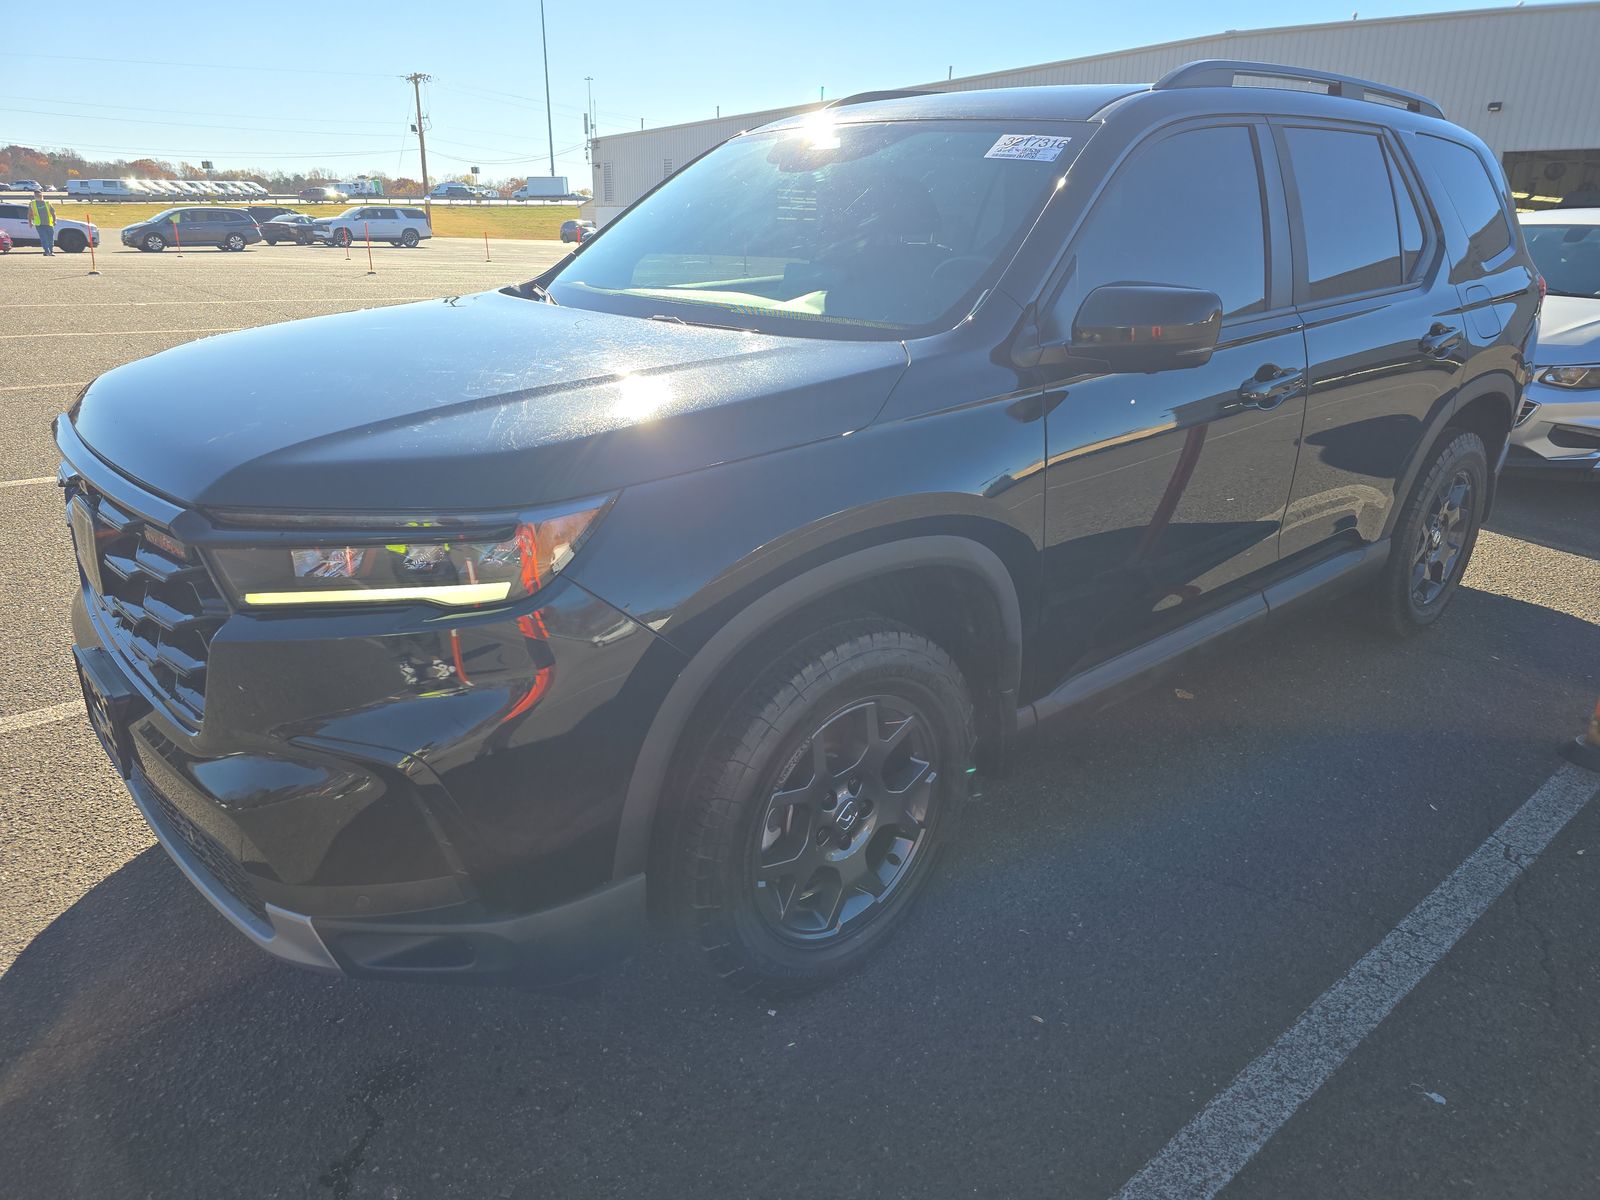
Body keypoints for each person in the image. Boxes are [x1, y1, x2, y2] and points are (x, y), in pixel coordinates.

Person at [28, 188, 56, 256]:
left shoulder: (47, 203)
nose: (37, 196)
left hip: (49, 223)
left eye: (39, 194)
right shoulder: (32, 204)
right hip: (39, 224)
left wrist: (55, 221)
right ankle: (47, 251)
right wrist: (30, 222)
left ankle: (51, 251)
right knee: (43, 238)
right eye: (36, 195)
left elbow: (53, 213)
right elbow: (30, 214)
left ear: (42, 195)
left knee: (50, 238)